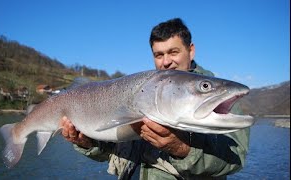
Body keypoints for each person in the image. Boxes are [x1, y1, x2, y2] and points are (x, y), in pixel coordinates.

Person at [60, 18, 250, 179]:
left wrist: (182, 149)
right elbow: (109, 151)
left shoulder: (217, 98)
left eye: (173, 52)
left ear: (190, 51)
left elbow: (236, 158)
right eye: (159, 55)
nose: (166, 61)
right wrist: (87, 144)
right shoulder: (145, 91)